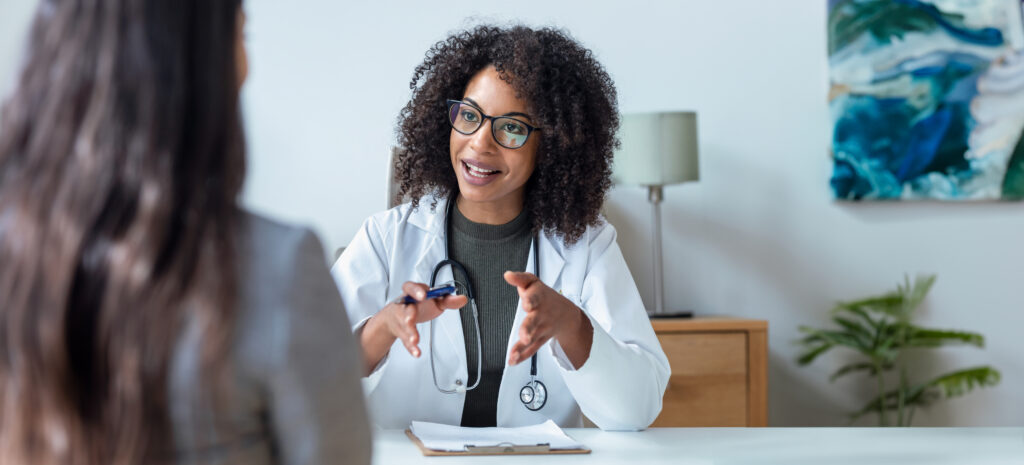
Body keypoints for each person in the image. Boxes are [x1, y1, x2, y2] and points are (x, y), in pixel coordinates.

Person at [0, 1, 370, 464]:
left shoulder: (17, 263)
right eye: (240, 35)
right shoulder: (281, 271)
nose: (247, 67)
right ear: (199, 65)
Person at [332, 25, 670, 431]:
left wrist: (569, 322)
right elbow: (305, 384)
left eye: (511, 127)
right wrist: (383, 328)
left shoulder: (586, 246)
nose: (479, 143)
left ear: (552, 145)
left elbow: (638, 409)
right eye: (470, 116)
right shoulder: (386, 239)